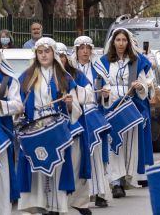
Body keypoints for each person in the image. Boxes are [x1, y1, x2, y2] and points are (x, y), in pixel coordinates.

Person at [17, 37, 83, 214]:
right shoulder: (26, 76)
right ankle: (42, 205)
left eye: (47, 51)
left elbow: (75, 109)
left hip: (56, 130)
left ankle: (55, 206)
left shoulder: (64, 77)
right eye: (40, 52)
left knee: (57, 166)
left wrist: (69, 103)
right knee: (38, 167)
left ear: (53, 53)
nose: (44, 55)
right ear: (36, 54)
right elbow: (18, 103)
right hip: (35, 129)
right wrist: (19, 108)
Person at [100, 28, 153, 199]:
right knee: (114, 143)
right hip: (112, 108)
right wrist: (105, 94)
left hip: (131, 108)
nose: (121, 43)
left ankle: (125, 178)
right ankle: (115, 182)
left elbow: (146, 83)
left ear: (128, 42)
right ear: (113, 42)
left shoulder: (137, 61)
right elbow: (99, 83)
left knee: (129, 145)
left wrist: (140, 87)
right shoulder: (104, 62)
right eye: (118, 40)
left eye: (124, 40)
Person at [70, 35, 113, 208]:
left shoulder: (97, 67)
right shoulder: (70, 69)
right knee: (79, 155)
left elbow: (108, 87)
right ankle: (82, 194)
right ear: (76, 50)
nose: (85, 51)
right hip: (76, 115)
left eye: (88, 48)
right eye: (81, 48)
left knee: (95, 154)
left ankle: (100, 192)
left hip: (94, 114)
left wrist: (105, 94)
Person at [56, 42, 94, 215]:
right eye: (57, 55)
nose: (60, 59)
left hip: (73, 126)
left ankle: (79, 202)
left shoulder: (74, 75)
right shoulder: (39, 76)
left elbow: (89, 94)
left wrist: (72, 99)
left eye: (62, 55)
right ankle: (54, 205)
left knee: (75, 164)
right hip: (50, 129)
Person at [0, 49, 22, 214]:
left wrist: (1, 105)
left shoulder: (9, 79)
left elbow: (18, 105)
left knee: (2, 181)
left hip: (2, 137)